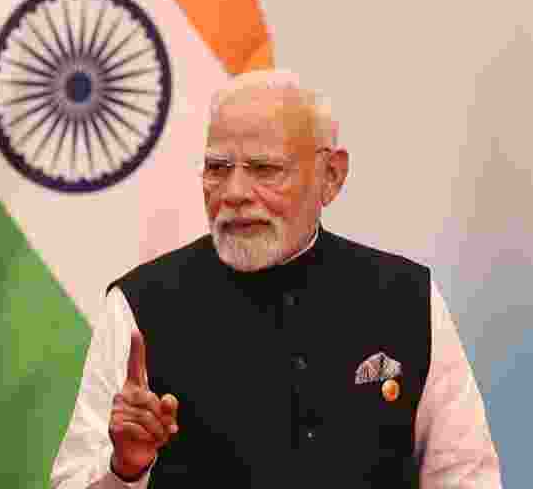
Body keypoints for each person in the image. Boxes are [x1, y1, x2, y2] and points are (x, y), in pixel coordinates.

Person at [50, 69, 501, 488]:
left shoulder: (406, 297)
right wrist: (125, 469)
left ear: (331, 176)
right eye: (217, 168)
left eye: (264, 169)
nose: (235, 193)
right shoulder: (140, 306)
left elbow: (465, 475)